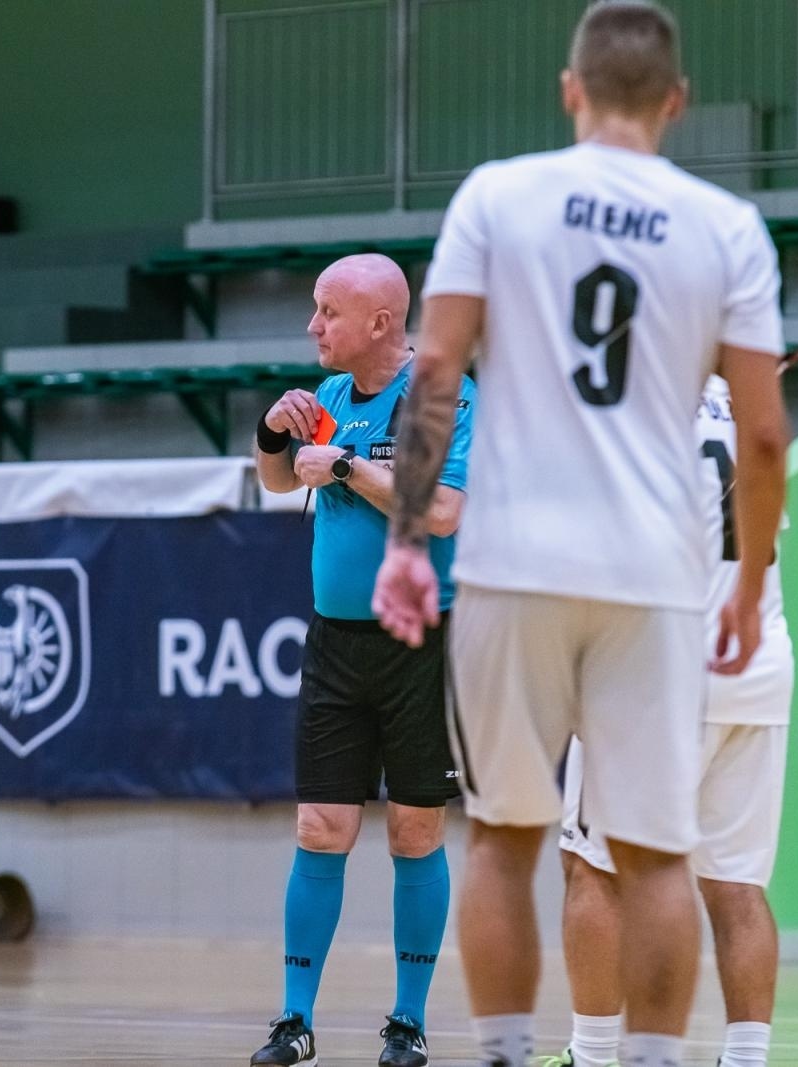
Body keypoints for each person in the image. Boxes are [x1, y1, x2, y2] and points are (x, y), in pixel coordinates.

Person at [371, 3, 790, 1066]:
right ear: (676, 101)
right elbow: (763, 438)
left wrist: (407, 542)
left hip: (515, 562)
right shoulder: (726, 226)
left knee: (505, 845)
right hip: (653, 575)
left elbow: (433, 372)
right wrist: (748, 588)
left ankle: (511, 1054)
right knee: (655, 860)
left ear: (570, 90)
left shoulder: (496, 196)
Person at [249, 254, 476, 1067]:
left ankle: (407, 1021)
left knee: (415, 829)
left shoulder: (442, 395)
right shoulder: (331, 395)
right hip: (336, 644)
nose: (313, 325)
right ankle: (294, 1019)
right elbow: (280, 481)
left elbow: (443, 510)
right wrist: (274, 431)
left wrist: (345, 465)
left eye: (327, 311)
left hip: (422, 643)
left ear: (380, 322)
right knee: (320, 825)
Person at [549, 375, 795, 1067]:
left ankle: (593, 1055)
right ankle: (746, 1059)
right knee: (738, 885)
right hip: (757, 671)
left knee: (593, 868)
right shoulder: (742, 405)